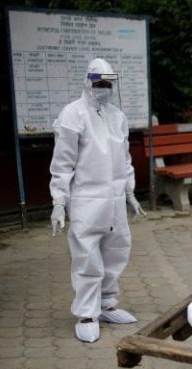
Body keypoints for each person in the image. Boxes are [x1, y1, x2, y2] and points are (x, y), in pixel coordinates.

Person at [49, 58, 146, 343]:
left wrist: (129, 192)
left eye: (108, 83)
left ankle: (106, 304)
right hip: (86, 199)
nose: (103, 88)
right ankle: (86, 314)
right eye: (99, 82)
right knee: (87, 255)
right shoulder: (72, 114)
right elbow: (63, 163)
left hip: (115, 199)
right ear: (88, 82)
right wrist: (58, 201)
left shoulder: (118, 116)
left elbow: (125, 159)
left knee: (117, 250)